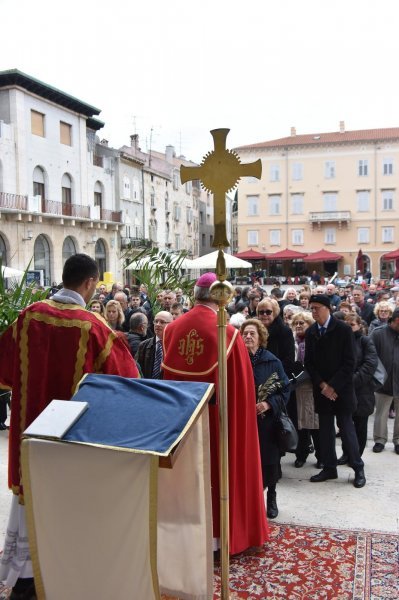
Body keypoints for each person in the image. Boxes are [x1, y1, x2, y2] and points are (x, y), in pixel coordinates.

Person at [0, 254, 139, 599]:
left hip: (29, 442)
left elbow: (3, 371)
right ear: (90, 283)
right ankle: (62, 574)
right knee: (66, 510)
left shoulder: (28, 317)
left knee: (30, 501)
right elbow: (128, 385)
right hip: (71, 444)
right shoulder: (95, 329)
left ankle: (25, 578)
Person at [162, 273, 269, 555]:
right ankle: (221, 538)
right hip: (218, 423)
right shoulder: (229, 334)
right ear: (221, 298)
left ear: (195, 295)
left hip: (181, 421)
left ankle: (184, 535)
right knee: (219, 474)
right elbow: (241, 390)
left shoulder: (171, 330)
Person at [304, 294, 366, 488]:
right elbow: (309, 363)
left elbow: (350, 362)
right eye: (311, 308)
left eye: (316, 308)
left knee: (347, 430)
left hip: (342, 390)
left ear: (327, 308)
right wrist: (322, 385)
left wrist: (333, 386)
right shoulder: (311, 331)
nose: (313, 311)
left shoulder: (343, 329)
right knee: (325, 431)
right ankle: (330, 467)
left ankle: (358, 467)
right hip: (322, 391)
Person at [241, 319, 290, 519]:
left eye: (252, 333)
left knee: (269, 462)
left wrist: (268, 404)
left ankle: (271, 497)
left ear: (261, 338)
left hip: (266, 422)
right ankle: (249, 500)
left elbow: (285, 389)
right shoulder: (236, 358)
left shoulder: (272, 361)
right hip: (243, 421)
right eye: (245, 333)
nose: (248, 337)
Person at [336, 314, 378, 463]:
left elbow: (370, 365)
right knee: (344, 425)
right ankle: (346, 454)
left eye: (352, 324)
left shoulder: (365, 341)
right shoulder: (340, 341)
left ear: (360, 326)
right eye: (346, 324)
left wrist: (349, 381)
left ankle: (356, 456)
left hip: (362, 391)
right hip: (344, 391)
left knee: (360, 426)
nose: (349, 327)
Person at [290, 312, 321, 468]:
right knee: (299, 423)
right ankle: (301, 454)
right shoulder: (292, 343)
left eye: (302, 323)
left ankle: (321, 456)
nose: (299, 326)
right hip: (296, 389)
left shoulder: (315, 341)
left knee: (315, 424)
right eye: (296, 323)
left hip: (311, 387)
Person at [369, 307, 399, 455]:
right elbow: (371, 356)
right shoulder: (378, 333)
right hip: (383, 382)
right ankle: (380, 440)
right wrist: (378, 376)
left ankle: (398, 441)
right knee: (381, 413)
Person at [256, 297, 295, 378]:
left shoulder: (284, 331)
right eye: (261, 312)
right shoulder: (254, 330)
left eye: (268, 312)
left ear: (275, 313)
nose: (264, 314)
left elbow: (289, 360)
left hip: (277, 377)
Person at [135, 311, 172, 378]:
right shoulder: (143, 346)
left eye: (162, 322)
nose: (158, 324)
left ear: (171, 324)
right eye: (156, 321)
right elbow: (136, 370)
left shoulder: (174, 347)